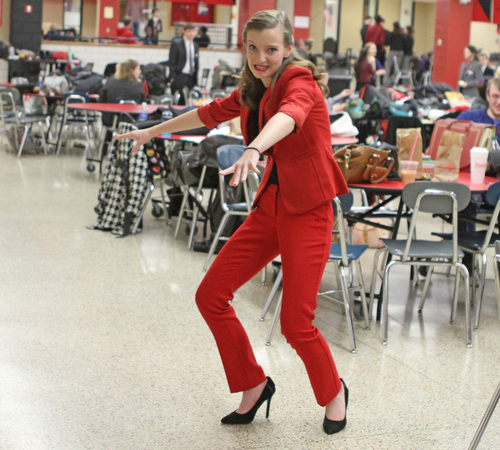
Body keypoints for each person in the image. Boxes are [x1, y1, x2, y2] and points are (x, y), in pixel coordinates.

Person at [116, 9, 350, 435]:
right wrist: (152, 131)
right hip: (271, 208)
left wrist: (255, 149)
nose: (261, 58)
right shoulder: (251, 88)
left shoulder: (301, 82)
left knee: (296, 324)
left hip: (309, 210)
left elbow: (290, 116)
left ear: (289, 48)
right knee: (211, 295)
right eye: (253, 48)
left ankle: (334, 392)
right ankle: (253, 383)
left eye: (271, 49)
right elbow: (208, 114)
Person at [100, 59, 145, 126]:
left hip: (110, 120)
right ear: (132, 70)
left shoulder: (110, 82)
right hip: (132, 121)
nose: (140, 71)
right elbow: (143, 104)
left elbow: (101, 102)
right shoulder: (138, 85)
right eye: (138, 69)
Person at [169, 22, 199, 104]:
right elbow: (172, 61)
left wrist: (195, 77)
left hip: (190, 76)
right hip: (179, 75)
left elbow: (196, 62)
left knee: (187, 99)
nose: (191, 34)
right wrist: (172, 76)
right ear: (184, 32)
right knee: (179, 100)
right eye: (189, 31)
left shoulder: (195, 45)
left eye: (193, 31)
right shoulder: (177, 44)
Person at [384, 22, 405, 86]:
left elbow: (387, 42)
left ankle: (385, 82)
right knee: (397, 68)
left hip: (393, 51)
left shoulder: (392, 34)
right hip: (400, 52)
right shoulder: (402, 34)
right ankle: (396, 82)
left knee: (388, 66)